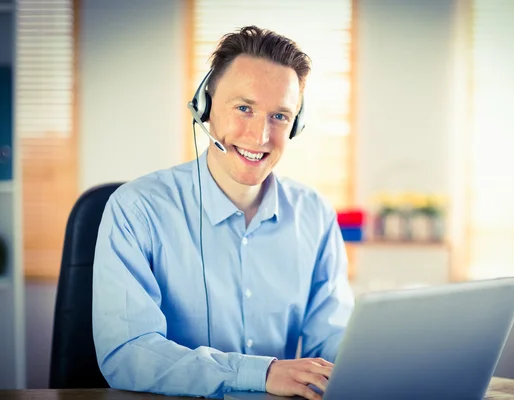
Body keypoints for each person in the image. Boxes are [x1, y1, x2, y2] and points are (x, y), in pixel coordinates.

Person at [92, 25, 354, 400]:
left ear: (296, 124)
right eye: (244, 108)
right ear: (205, 108)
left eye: (279, 116)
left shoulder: (315, 215)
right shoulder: (137, 210)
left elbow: (333, 341)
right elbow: (128, 353)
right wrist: (259, 373)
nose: (260, 135)